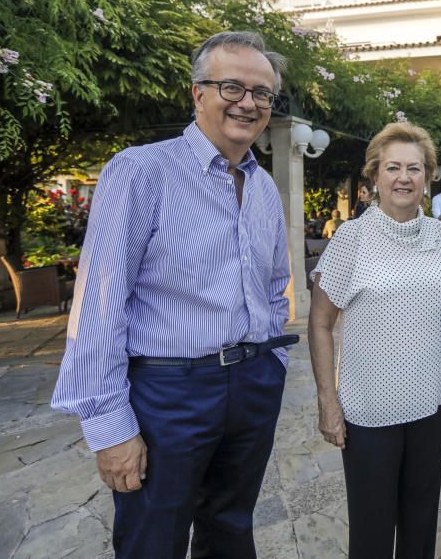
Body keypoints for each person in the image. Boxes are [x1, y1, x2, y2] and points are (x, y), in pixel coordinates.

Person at [51, 31, 294, 559]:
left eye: (262, 93)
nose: (248, 103)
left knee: (230, 532)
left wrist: (270, 361)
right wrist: (110, 426)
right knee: (152, 541)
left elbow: (274, 287)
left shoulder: (262, 188)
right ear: (197, 94)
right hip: (169, 394)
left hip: (252, 386)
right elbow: (99, 306)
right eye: (232, 86)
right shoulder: (141, 172)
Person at [308, 122, 441, 559]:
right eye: (393, 167)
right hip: (371, 408)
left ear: (427, 178)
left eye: (414, 168)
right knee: (372, 534)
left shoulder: (437, 234)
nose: (404, 177)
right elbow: (319, 323)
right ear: (374, 176)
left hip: (433, 402)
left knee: (421, 523)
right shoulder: (352, 238)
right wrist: (327, 401)